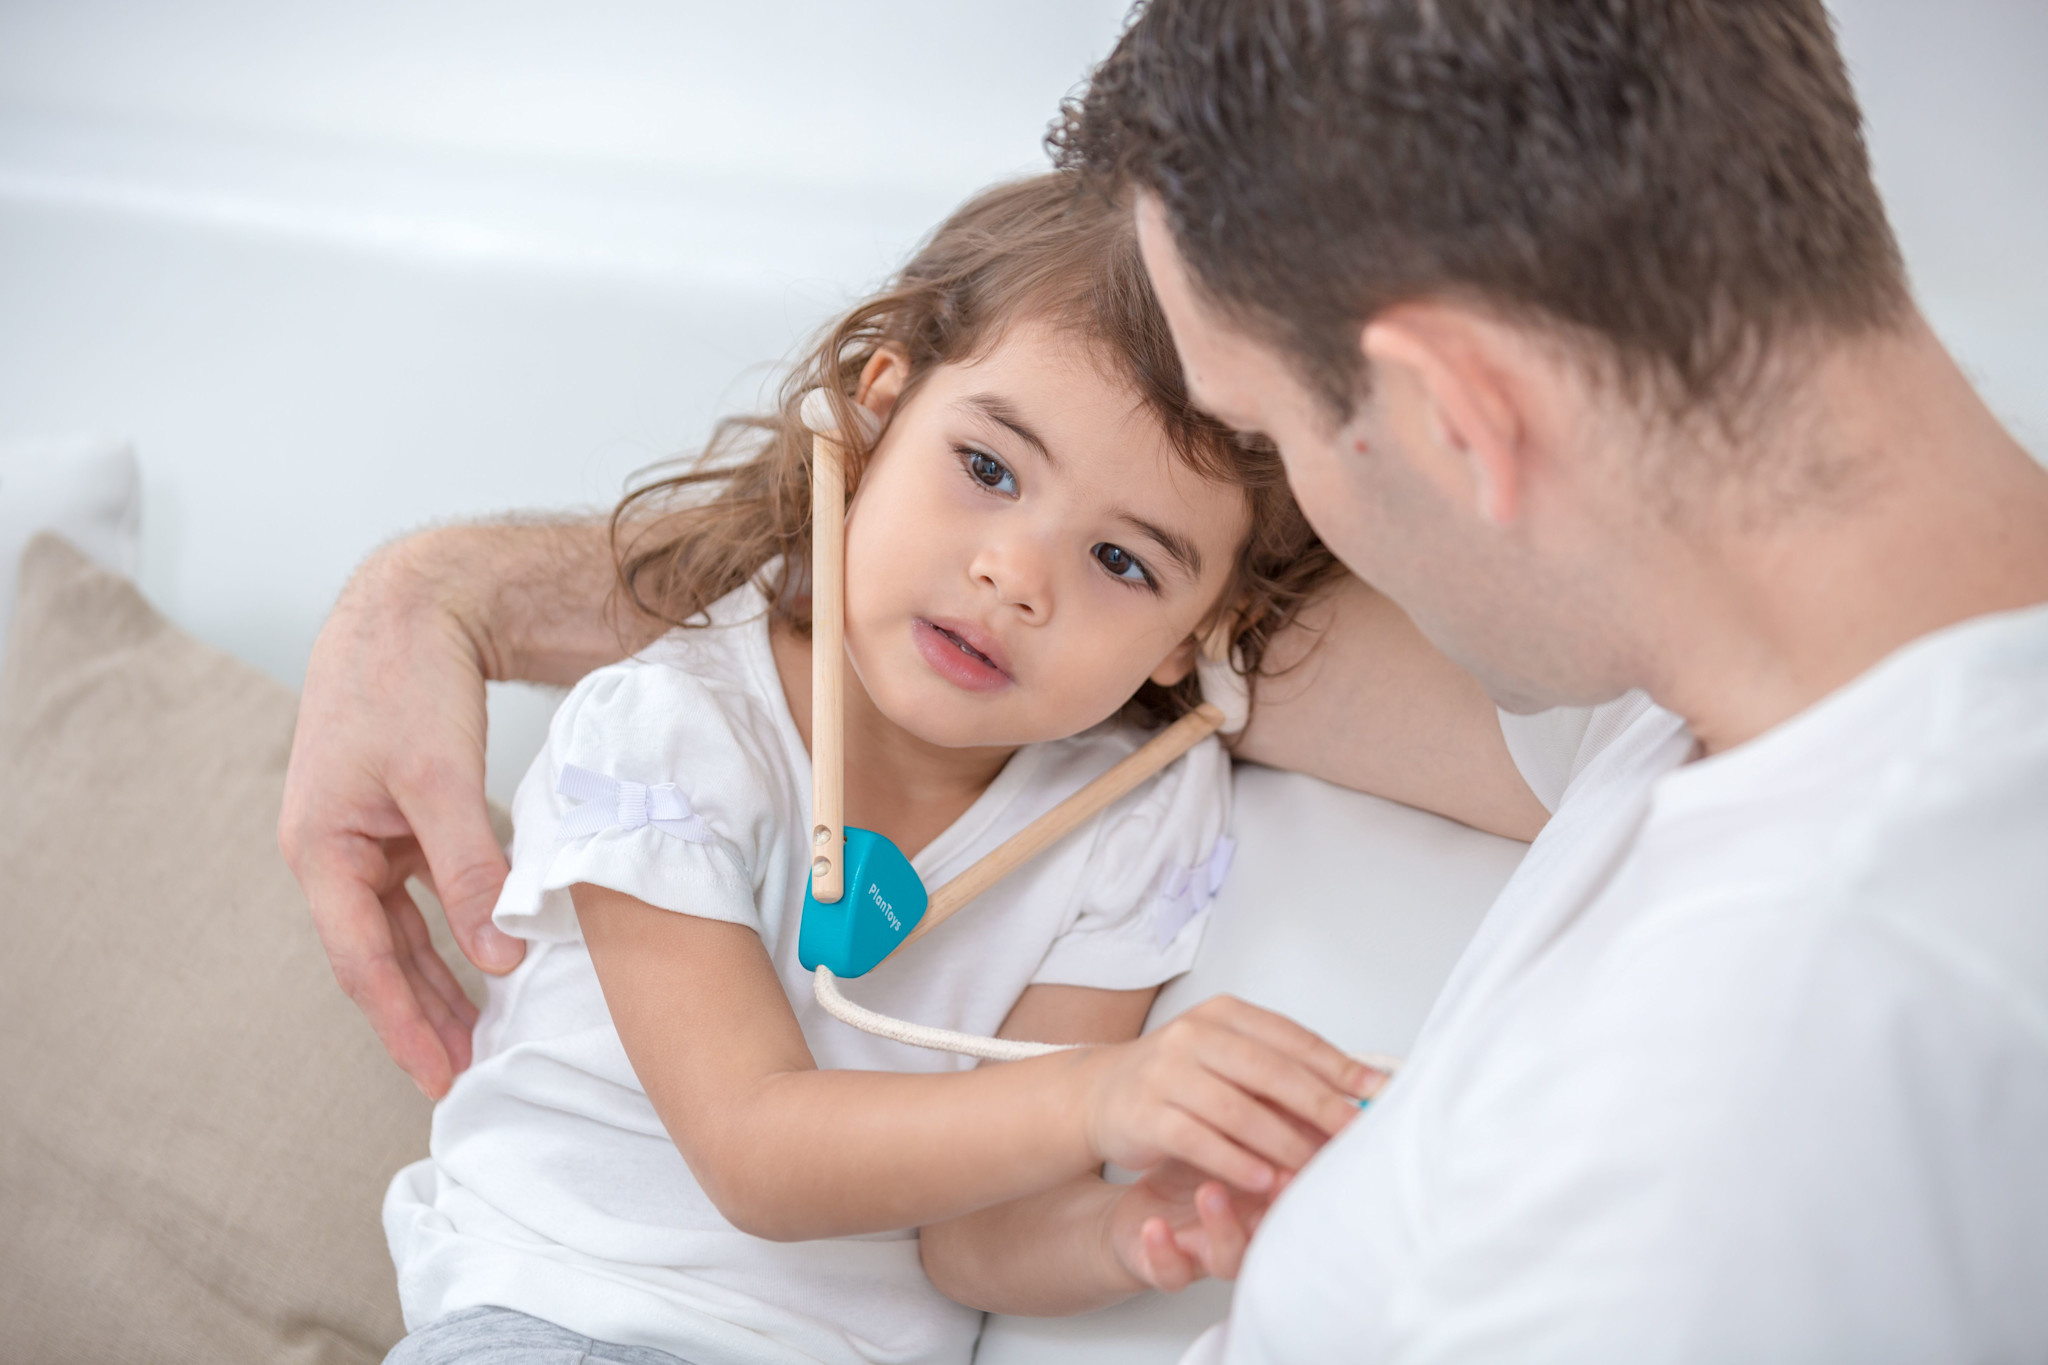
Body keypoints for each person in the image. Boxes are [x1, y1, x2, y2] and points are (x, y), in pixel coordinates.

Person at [286, 0, 2048, 1357]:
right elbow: (979, 625)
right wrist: (442, 592)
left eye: (1269, 431)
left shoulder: (1769, 1126)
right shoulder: (1720, 667)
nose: (1026, 575)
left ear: (1462, 419)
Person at [376, 173, 1377, 1365]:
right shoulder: (672, 731)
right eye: (989, 469)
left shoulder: (1136, 818)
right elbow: (753, 1151)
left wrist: (1133, 1233)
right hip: (562, 1320)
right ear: (873, 416)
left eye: (1121, 561)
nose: (1015, 578)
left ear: (1190, 636)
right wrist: (1107, 1096)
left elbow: (975, 1244)